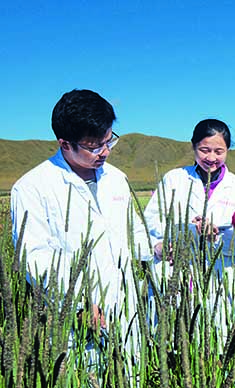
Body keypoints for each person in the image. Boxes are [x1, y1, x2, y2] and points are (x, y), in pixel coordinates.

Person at [10, 89, 151, 365]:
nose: (105, 152)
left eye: (109, 141)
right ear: (65, 143)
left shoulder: (116, 178)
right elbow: (34, 259)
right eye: (94, 146)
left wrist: (157, 248)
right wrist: (78, 306)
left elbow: (132, 233)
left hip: (125, 308)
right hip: (74, 318)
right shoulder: (32, 187)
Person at [144, 118, 235, 344]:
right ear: (193, 146)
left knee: (221, 339)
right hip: (177, 269)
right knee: (175, 339)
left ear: (228, 151)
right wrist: (161, 244)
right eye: (204, 150)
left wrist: (218, 235)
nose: (211, 158)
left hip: (221, 273)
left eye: (218, 151)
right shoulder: (174, 179)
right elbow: (151, 221)